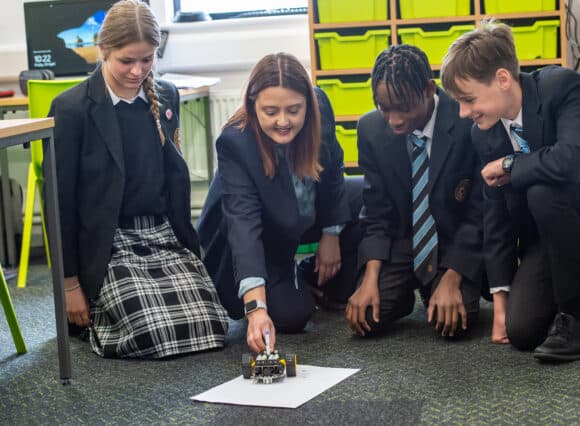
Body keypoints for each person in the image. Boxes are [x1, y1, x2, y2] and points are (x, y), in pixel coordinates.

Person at [440, 21, 580, 361]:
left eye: (468, 99)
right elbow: (496, 215)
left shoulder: (563, 87)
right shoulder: (483, 132)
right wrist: (500, 299)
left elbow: (570, 163)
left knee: (543, 191)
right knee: (523, 331)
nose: (463, 112)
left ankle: (577, 319)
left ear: (502, 79)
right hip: (550, 232)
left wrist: (508, 165)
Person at [50, 0, 227, 358]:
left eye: (147, 60)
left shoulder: (166, 96)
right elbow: (59, 201)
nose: (137, 70)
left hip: (160, 233)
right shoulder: (71, 110)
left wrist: (188, 245)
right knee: (153, 332)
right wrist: (69, 284)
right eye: (126, 61)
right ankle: (102, 316)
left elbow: (173, 183)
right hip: (111, 241)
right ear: (103, 50)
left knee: (211, 324)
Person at [196, 52, 363, 353]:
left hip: (301, 212)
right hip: (261, 234)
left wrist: (331, 234)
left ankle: (311, 273)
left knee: (363, 192)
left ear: (308, 107)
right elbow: (244, 226)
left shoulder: (319, 105)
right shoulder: (235, 142)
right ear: (252, 105)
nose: (283, 121)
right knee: (291, 315)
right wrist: (257, 308)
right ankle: (289, 277)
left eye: (293, 111)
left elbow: (334, 168)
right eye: (270, 111)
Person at [346, 44, 484, 338]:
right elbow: (376, 211)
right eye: (384, 108)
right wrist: (369, 279)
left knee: (458, 321)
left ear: (429, 89)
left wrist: (453, 276)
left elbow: (479, 212)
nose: (394, 120)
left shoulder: (467, 121)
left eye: (404, 108)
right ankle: (406, 293)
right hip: (402, 242)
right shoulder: (370, 129)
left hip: (451, 242)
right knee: (368, 317)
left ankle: (436, 283)